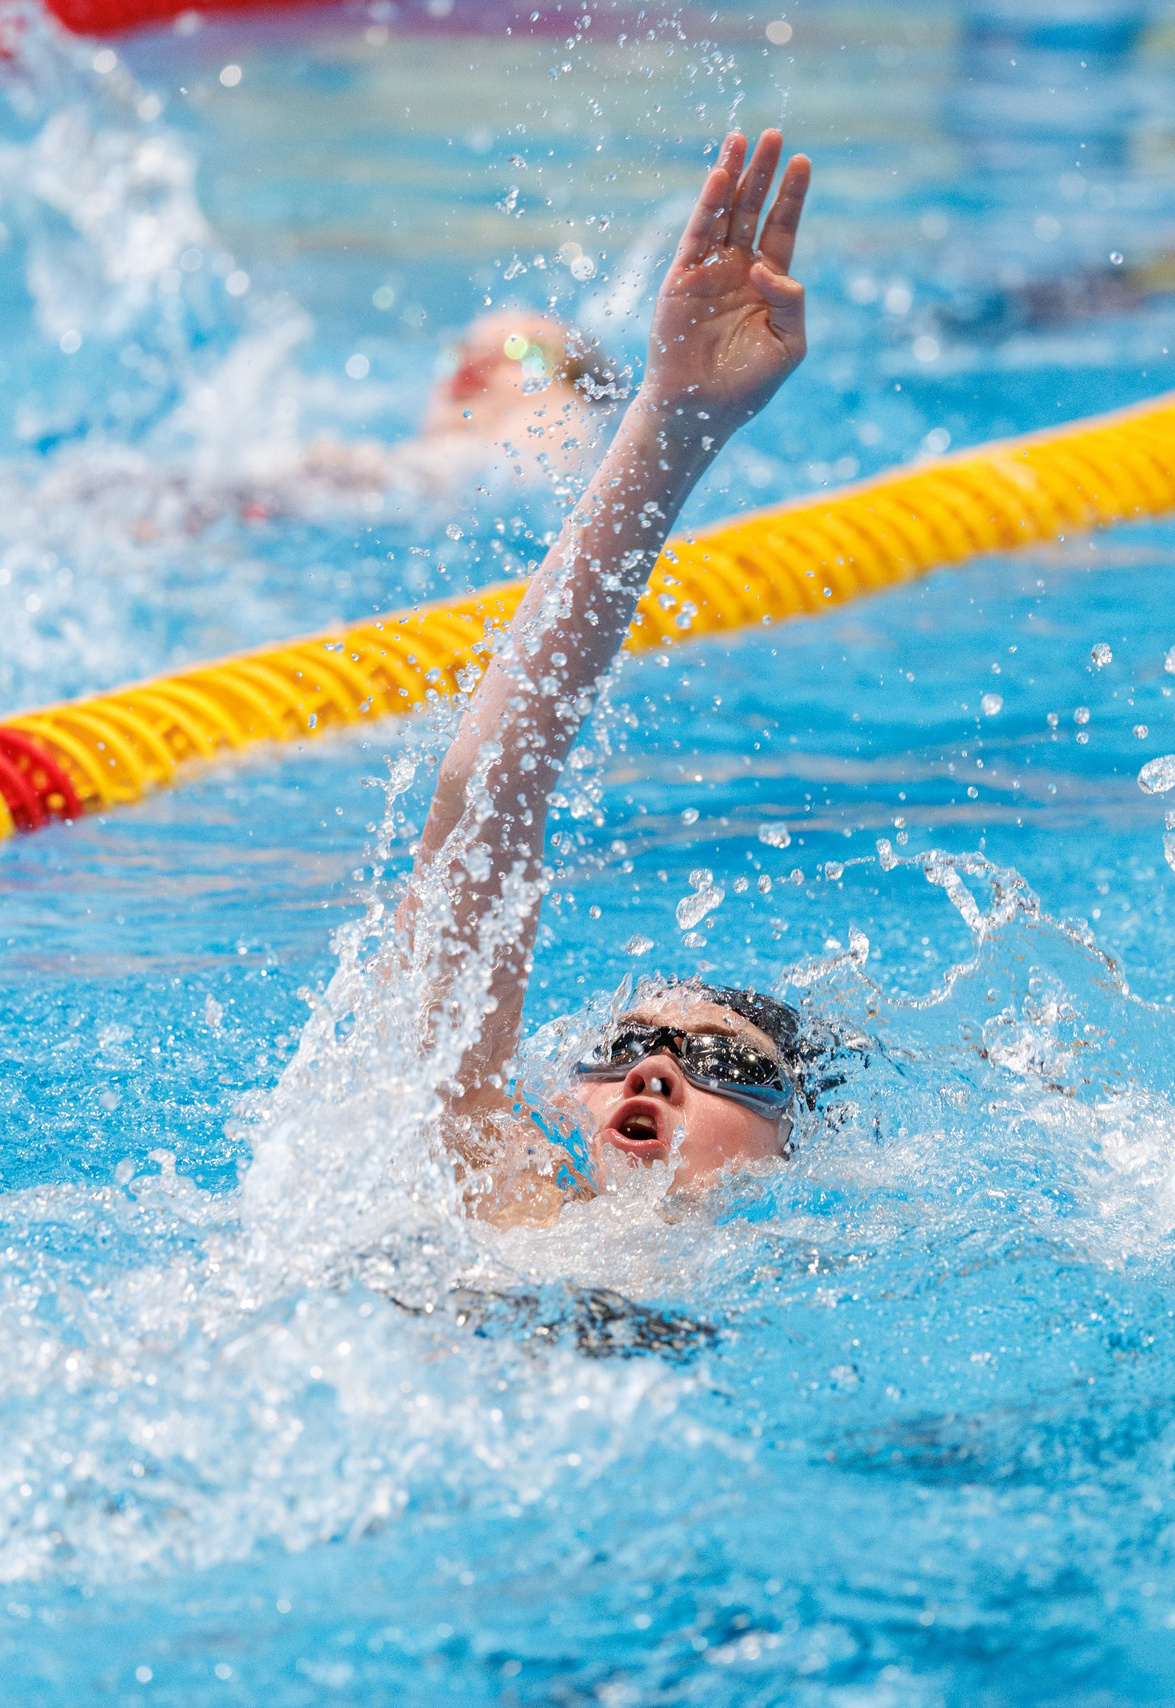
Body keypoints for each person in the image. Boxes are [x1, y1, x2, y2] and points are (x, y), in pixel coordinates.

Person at [378, 128, 817, 1229]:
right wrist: (674, 418)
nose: (655, 1072)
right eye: (628, 1046)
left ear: (795, 1156)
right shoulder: (491, 1196)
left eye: (727, 1065)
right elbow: (487, 788)